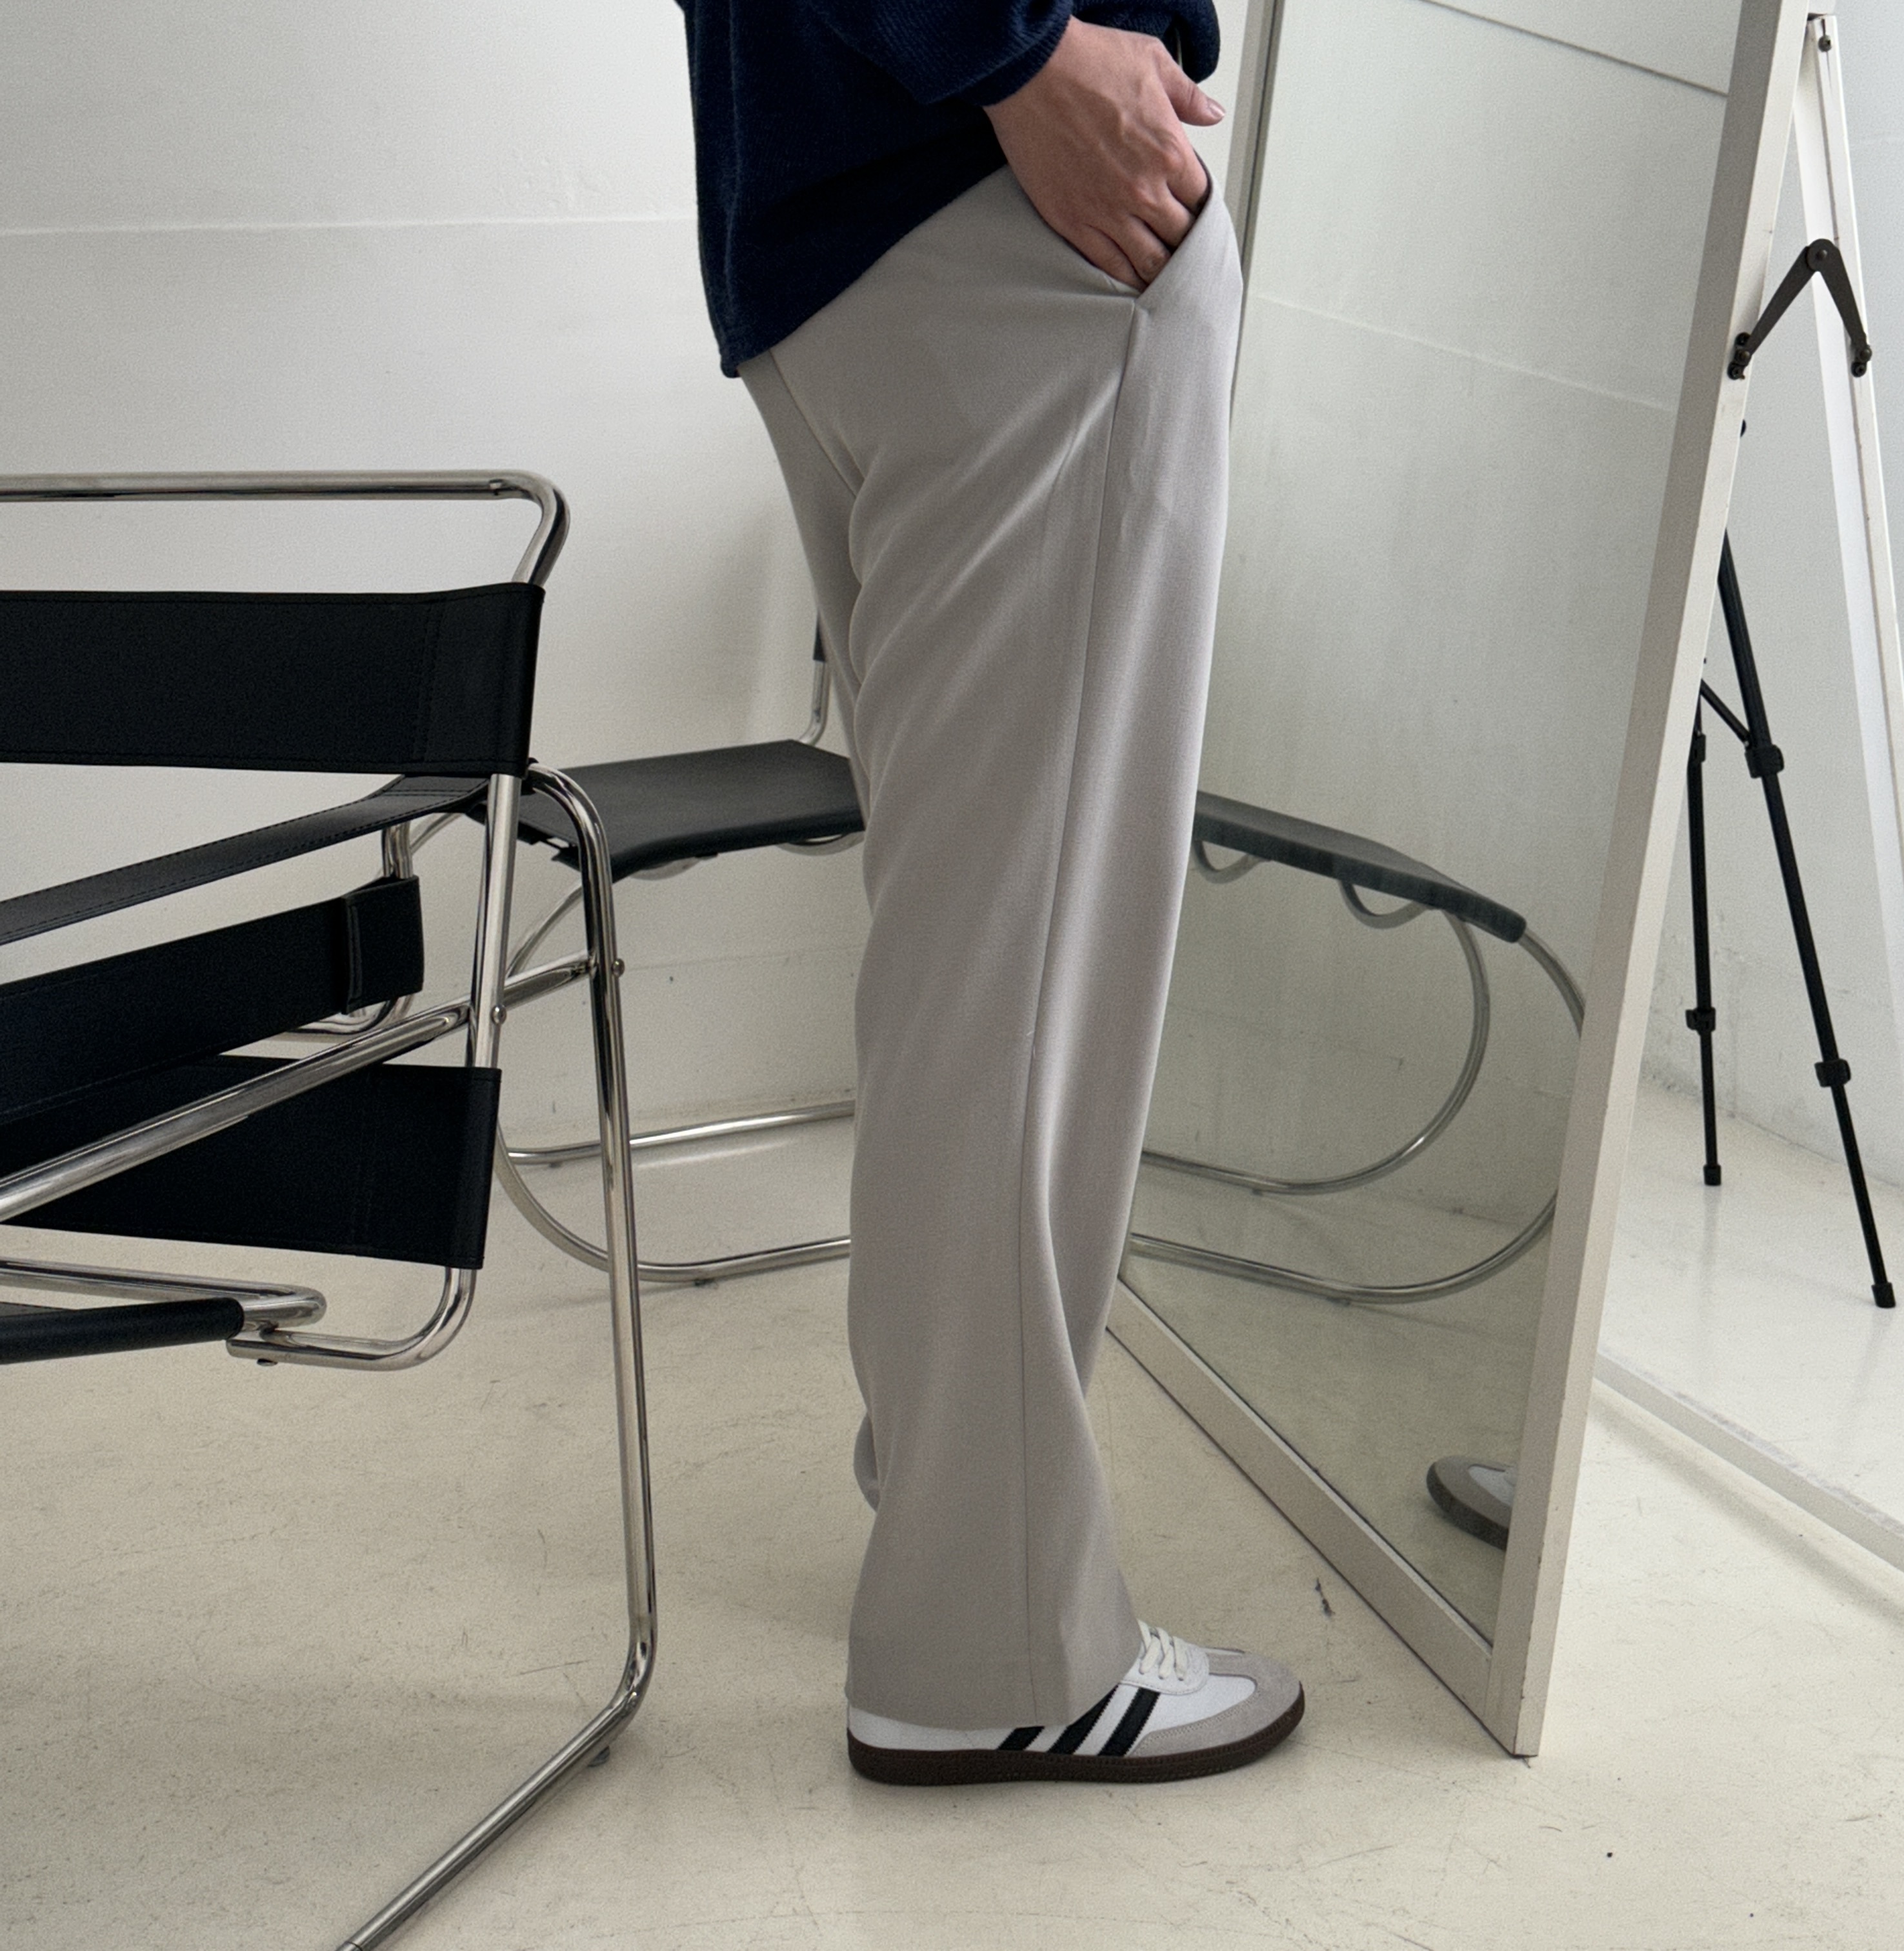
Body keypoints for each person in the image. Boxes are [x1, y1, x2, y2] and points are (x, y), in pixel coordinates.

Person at [675, 1, 1303, 1784]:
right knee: (1021, 979)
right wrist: (1016, 54)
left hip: (833, 231)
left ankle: (958, 1506)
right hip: (1013, 222)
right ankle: (992, 1644)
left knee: (968, 960)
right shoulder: (1008, 113)